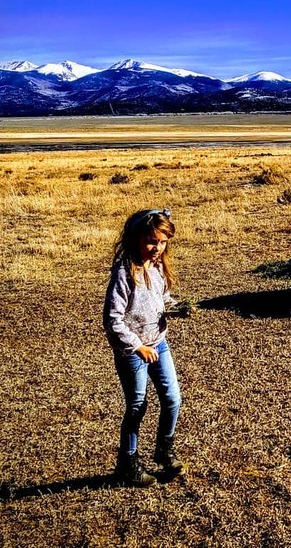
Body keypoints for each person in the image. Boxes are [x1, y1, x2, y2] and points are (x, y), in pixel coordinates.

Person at [103, 208, 185, 487]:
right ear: (136, 238)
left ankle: (164, 451)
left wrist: (176, 309)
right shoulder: (125, 272)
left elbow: (163, 299)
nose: (157, 248)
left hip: (159, 343)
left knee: (172, 398)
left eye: (163, 242)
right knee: (137, 405)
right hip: (132, 353)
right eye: (152, 241)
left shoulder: (159, 266)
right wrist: (138, 347)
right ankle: (128, 463)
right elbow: (113, 320)